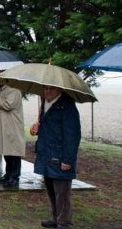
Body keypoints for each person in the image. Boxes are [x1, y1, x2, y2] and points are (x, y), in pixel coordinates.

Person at [32, 86, 81, 229]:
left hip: (60, 156)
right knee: (51, 190)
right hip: (46, 154)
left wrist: (68, 159)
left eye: (51, 89)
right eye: (45, 89)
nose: (47, 91)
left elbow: (73, 135)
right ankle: (55, 218)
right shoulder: (44, 103)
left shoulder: (67, 107)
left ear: (60, 90)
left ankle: (65, 223)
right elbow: (45, 128)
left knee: (62, 194)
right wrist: (35, 128)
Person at [0, 78, 25, 188]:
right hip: (3, 125)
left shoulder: (14, 90)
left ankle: (14, 177)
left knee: (13, 152)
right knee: (6, 151)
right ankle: (8, 174)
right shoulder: (1, 90)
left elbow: (7, 105)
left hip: (12, 126)